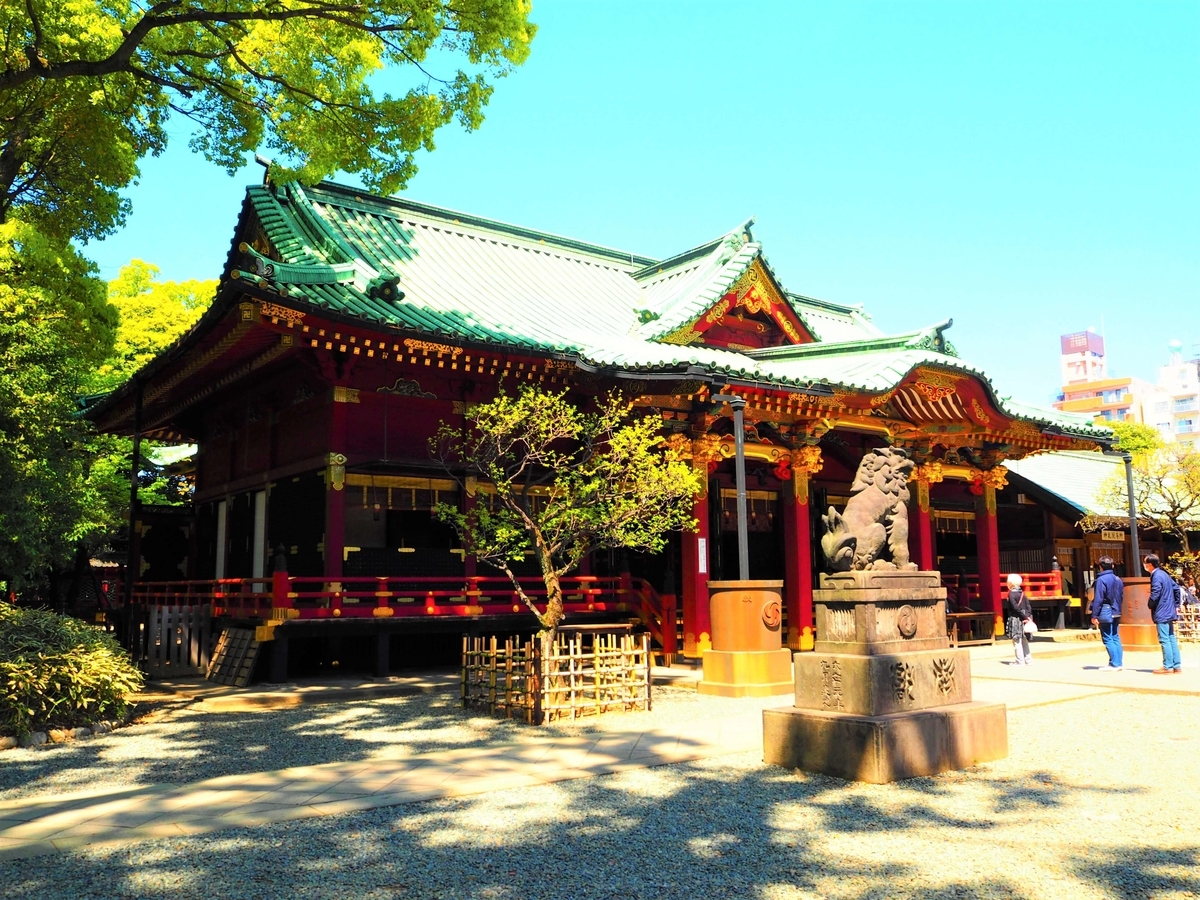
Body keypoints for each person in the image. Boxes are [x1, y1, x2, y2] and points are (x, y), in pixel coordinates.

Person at [1143, 554, 1182, 674]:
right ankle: (1176, 665)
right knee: (1171, 637)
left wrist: (1150, 604)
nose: (1144, 565)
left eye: (1145, 563)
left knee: (1164, 638)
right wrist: (1175, 604)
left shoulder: (1156, 576)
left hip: (1161, 610)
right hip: (1169, 609)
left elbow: (1156, 592)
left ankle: (1168, 666)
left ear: (1149, 565)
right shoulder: (1164, 574)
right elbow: (1176, 588)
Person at [1088, 556, 1123, 671]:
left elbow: (1098, 598)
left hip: (1105, 610)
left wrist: (1094, 614)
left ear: (1100, 567)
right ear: (1113, 566)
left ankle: (1114, 663)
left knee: (1107, 637)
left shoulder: (1101, 580)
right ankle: (1118, 662)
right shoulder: (1118, 579)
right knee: (1115, 637)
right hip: (1116, 610)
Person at [1004, 573, 1034, 666]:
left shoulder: (1011, 594)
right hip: (1025, 619)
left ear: (1011, 583)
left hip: (1016, 619)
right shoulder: (1022, 593)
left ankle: (1019, 661)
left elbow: (1015, 608)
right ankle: (1028, 660)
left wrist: (1022, 616)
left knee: (1017, 640)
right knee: (1024, 640)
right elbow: (1029, 607)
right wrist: (1027, 616)